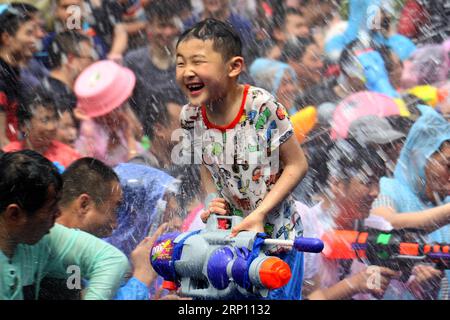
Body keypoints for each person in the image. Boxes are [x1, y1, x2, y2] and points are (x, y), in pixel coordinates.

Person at [176, 18, 308, 299]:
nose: (187, 72)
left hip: (276, 238)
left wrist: (260, 214)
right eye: (180, 63)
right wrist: (212, 200)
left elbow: (297, 164)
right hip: (228, 241)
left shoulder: (261, 107)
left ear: (234, 67)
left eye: (198, 62)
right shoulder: (191, 116)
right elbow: (207, 165)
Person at [0, 150, 130, 300]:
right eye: (50, 208)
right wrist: (140, 282)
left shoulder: (39, 240)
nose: (58, 213)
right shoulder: (39, 241)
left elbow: (114, 262)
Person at [299, 140, 402, 300]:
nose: (376, 192)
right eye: (368, 182)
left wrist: (416, 279)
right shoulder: (307, 229)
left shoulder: (378, 229)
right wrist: (353, 285)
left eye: (377, 182)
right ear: (336, 183)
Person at [371, 105, 450, 299]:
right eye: (448, 164)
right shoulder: (390, 189)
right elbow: (381, 224)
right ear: (422, 159)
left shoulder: (443, 200)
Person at [124, 0, 185, 128]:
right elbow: (123, 101)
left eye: (171, 26)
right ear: (149, 27)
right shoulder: (133, 62)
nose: (167, 32)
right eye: (162, 26)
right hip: (146, 139)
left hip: (183, 136)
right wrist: (134, 124)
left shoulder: (187, 60)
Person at [74, 60, 144, 167]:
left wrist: (129, 135)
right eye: (119, 105)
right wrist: (129, 138)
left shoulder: (123, 121)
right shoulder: (90, 130)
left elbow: (142, 139)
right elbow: (135, 169)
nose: (121, 108)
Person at [3, 88, 81, 168]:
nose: (52, 127)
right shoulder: (8, 155)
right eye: (45, 120)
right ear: (24, 125)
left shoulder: (69, 157)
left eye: (54, 118)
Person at [0, 4, 37, 147]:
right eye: (28, 33)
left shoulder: (13, 71)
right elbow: (1, 142)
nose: (33, 41)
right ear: (6, 38)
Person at [44, 31, 96, 112]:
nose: (95, 63)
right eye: (91, 58)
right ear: (71, 60)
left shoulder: (52, 89)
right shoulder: (56, 98)